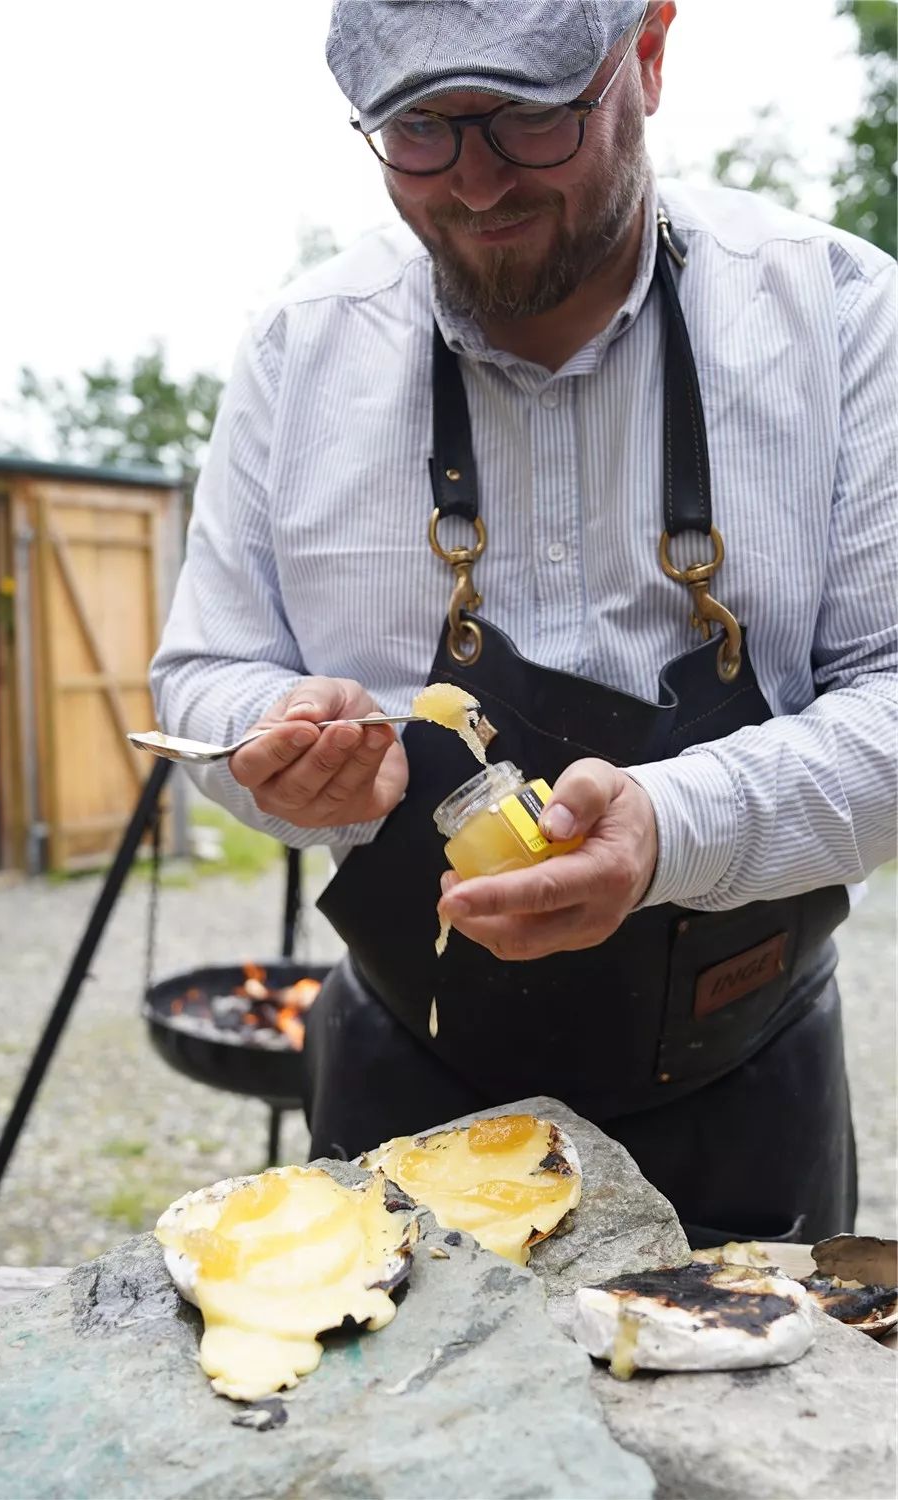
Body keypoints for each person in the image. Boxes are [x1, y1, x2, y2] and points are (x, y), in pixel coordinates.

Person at [152, 0, 896, 1246]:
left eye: (530, 117)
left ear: (647, 55)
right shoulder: (300, 353)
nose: (477, 182)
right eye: (420, 130)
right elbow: (204, 676)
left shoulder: (842, 315)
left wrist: (672, 826)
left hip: (741, 1087)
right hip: (404, 1073)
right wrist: (271, 743)